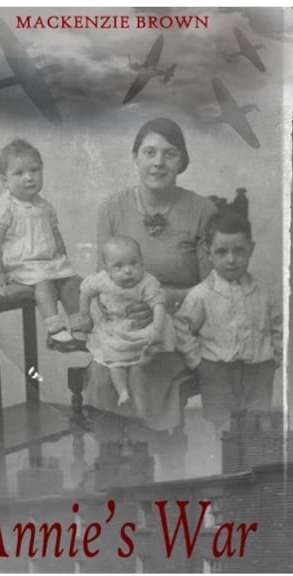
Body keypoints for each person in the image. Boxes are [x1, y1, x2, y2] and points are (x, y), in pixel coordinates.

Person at [90, 117, 217, 449]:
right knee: (104, 368)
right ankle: (112, 458)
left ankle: (146, 453)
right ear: (135, 157)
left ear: (182, 161)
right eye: (149, 152)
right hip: (125, 322)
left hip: (180, 324)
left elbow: (213, 288)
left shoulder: (202, 210)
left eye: (169, 154)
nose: (158, 162)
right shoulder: (111, 209)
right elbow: (102, 280)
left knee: (144, 369)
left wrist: (163, 301)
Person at [173, 212, 281, 432]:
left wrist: (276, 355)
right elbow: (181, 326)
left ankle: (252, 452)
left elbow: (278, 325)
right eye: (221, 252)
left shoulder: (264, 292)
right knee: (223, 425)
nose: (231, 259)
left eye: (239, 251)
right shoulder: (202, 294)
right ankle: (226, 453)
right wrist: (196, 362)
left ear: (251, 249)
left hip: (259, 370)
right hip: (217, 371)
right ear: (209, 253)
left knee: (257, 422)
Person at [0, 138, 85, 352]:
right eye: (19, 173)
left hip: (43, 260)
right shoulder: (3, 207)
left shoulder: (45, 206)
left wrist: (62, 259)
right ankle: (55, 330)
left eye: (34, 170)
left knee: (72, 281)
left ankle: (78, 326)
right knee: (43, 283)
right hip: (16, 262)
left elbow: (55, 235)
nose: (28, 177)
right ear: (5, 180)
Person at [79, 236, 167, 409]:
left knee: (144, 363)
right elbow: (85, 291)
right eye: (118, 266)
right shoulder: (102, 280)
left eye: (134, 263)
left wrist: (157, 330)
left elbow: (158, 304)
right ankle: (122, 392)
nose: (127, 271)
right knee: (114, 360)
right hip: (114, 329)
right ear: (107, 269)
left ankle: (144, 418)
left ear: (142, 263)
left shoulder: (147, 282)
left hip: (140, 328)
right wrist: (85, 316)